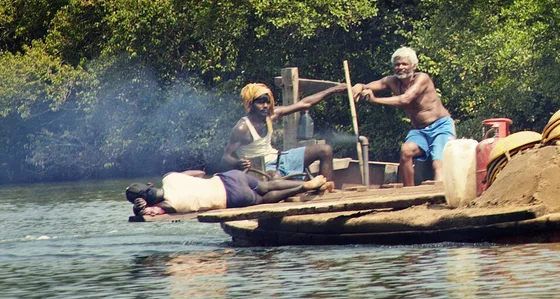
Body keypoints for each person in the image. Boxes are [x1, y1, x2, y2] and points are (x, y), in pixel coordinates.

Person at [351, 46, 455, 186]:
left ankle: (438, 196)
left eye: (404, 64)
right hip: (419, 130)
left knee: (438, 164)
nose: (401, 67)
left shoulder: (422, 78)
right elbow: (369, 86)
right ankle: (409, 194)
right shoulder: (392, 81)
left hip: (440, 126)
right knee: (406, 151)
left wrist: (375, 100)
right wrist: (359, 86)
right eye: (397, 65)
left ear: (413, 65)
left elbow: (405, 99)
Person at [221, 82, 347, 181]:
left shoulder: (270, 116)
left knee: (325, 150)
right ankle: (303, 187)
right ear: (250, 104)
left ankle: (326, 190)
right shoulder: (242, 128)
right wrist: (238, 163)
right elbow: (226, 157)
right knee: (276, 178)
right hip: (261, 169)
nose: (265, 106)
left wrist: (334, 90)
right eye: (260, 102)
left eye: (267, 102)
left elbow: (305, 103)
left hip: (280, 158)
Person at [125, 169, 332, 216]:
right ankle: (306, 182)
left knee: (264, 199)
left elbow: (153, 213)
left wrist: (140, 210)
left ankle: (302, 188)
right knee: (267, 186)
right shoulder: (169, 177)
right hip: (228, 177)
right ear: (150, 185)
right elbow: (199, 172)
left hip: (230, 198)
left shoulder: (170, 205)